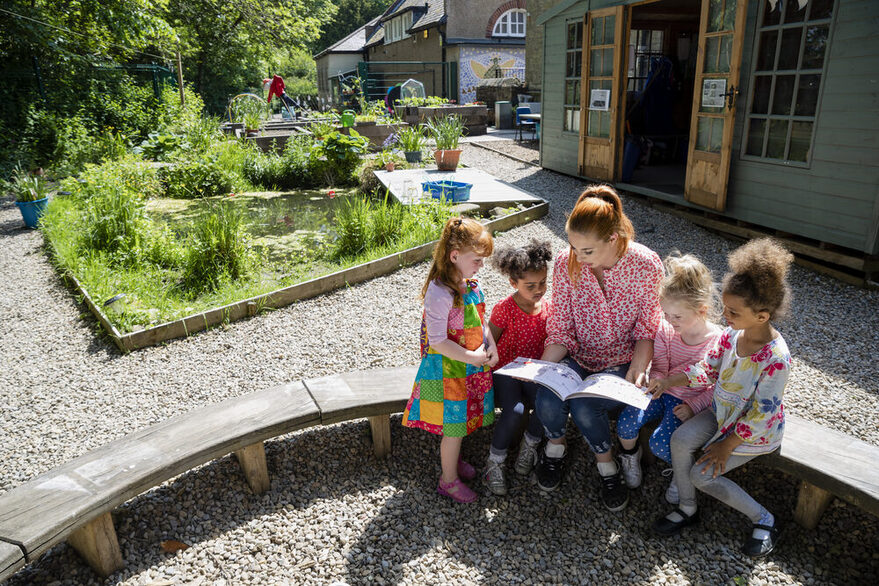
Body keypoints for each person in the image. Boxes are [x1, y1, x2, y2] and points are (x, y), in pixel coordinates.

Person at [648, 238, 793, 558]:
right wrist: (668, 380)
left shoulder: (776, 357)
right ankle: (688, 509)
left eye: (733, 312)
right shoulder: (732, 335)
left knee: (701, 474)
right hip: (722, 413)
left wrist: (726, 446)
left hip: (753, 433)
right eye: (725, 308)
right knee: (680, 440)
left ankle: (764, 519)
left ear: (762, 316)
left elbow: (761, 414)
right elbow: (707, 369)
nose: (724, 316)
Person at [533, 184, 663, 511]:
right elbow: (561, 325)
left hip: (621, 360)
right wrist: (541, 369)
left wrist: (639, 367)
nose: (577, 257)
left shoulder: (646, 265)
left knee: (585, 407)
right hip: (578, 355)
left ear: (613, 239)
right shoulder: (566, 263)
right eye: (573, 247)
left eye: (586, 251)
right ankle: (555, 449)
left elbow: (649, 327)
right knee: (546, 394)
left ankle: (607, 466)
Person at [402, 217, 498, 503]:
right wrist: (473, 357)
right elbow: (438, 340)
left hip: (467, 367)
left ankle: (452, 464)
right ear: (455, 256)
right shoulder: (440, 291)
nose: (480, 266)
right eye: (477, 260)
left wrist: (490, 345)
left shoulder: (470, 284)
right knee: (453, 429)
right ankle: (448, 480)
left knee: (463, 420)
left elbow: (482, 321)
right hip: (446, 373)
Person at [615, 253, 722, 503]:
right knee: (625, 424)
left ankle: (681, 474)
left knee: (662, 444)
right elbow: (661, 364)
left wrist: (693, 407)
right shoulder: (665, 330)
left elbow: (714, 384)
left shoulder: (717, 341)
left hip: (687, 403)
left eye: (677, 317)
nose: (669, 321)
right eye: (666, 314)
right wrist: (657, 381)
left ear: (702, 310)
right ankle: (630, 458)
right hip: (660, 392)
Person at [482, 239, 554, 496]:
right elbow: (490, 341)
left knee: (548, 406)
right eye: (530, 285)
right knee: (514, 410)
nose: (539, 290)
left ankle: (530, 446)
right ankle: (495, 461)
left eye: (543, 282)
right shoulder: (505, 309)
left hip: (535, 372)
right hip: (507, 371)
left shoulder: (548, 307)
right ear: (514, 283)